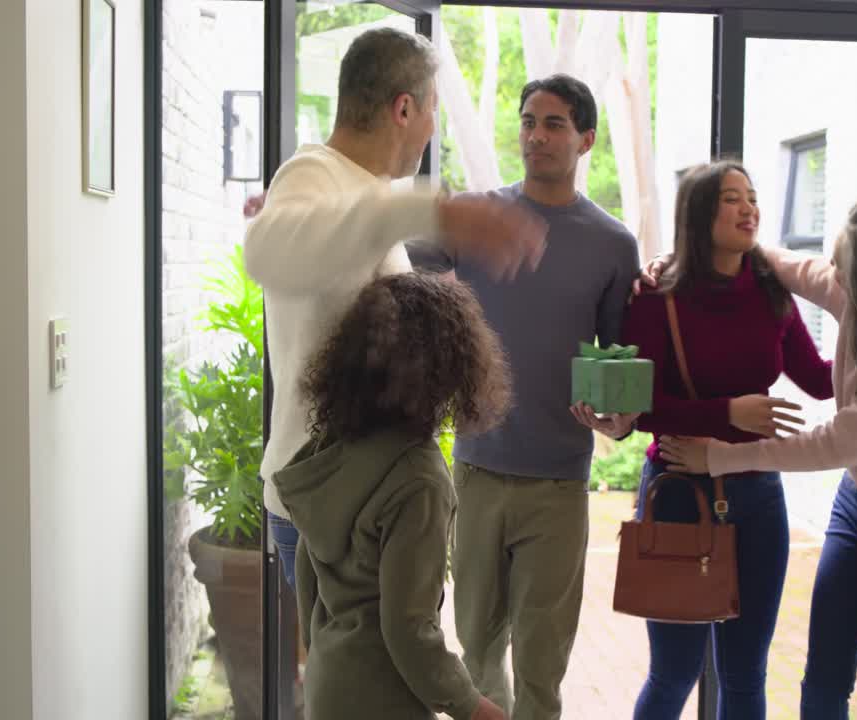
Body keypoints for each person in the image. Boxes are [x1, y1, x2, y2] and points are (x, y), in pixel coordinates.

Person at [243, 27, 547, 587]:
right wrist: (434, 212)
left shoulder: (355, 190)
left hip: (357, 501)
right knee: (358, 654)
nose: (433, 128)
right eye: (433, 110)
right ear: (404, 109)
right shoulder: (312, 174)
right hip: (326, 504)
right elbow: (264, 251)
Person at [658, 199, 857, 720]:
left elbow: (830, 444)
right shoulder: (855, 295)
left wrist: (718, 456)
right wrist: (690, 257)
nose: (834, 276)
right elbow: (791, 266)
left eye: (843, 268)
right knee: (824, 684)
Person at [409, 74, 641, 720]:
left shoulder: (613, 244)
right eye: (528, 121)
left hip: (559, 484)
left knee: (542, 666)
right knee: (478, 654)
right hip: (477, 470)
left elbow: (619, 363)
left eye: (554, 124)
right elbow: (395, 265)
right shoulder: (478, 217)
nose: (536, 136)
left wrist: (620, 422)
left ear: (586, 139)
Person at [604, 161, 833, 720]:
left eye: (752, 197)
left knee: (746, 674)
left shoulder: (771, 291)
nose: (749, 208)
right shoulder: (656, 297)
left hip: (758, 496)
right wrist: (728, 412)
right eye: (733, 198)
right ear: (700, 212)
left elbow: (821, 380)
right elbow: (641, 406)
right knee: (674, 672)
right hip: (679, 494)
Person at [272, 273, 511, 720]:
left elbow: (306, 566)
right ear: (450, 368)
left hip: (328, 683)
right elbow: (408, 627)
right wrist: (472, 706)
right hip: (384, 697)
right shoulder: (418, 478)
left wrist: (325, 647)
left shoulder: (334, 445)